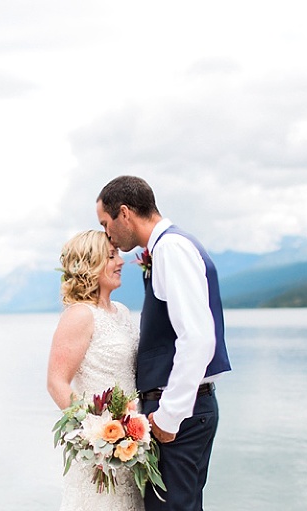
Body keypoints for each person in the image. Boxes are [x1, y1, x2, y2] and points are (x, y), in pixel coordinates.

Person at [96, 176, 232, 511]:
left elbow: (197, 338)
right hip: (187, 410)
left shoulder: (171, 249)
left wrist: (169, 415)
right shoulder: (167, 248)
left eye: (105, 223)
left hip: (180, 415)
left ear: (124, 213)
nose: (107, 234)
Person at [46, 230, 144, 511]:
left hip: (130, 448)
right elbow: (57, 383)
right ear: (91, 264)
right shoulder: (79, 315)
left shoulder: (123, 312)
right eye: (111, 256)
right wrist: (95, 434)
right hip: (99, 453)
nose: (121, 261)